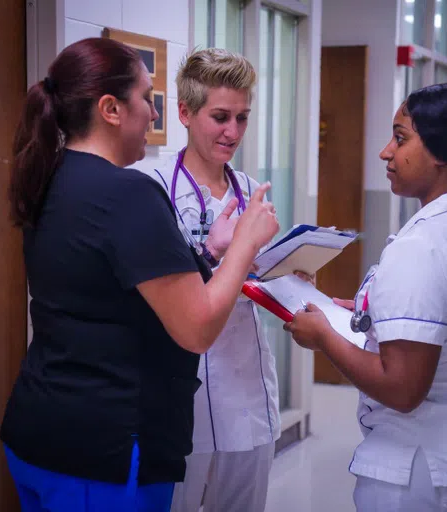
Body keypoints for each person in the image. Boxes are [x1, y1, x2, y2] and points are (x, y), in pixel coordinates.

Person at [0, 38, 279, 512]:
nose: (153, 115)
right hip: (102, 448)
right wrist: (246, 244)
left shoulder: (52, 176)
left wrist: (213, 253)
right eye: (146, 99)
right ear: (110, 109)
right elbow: (195, 329)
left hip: (41, 427)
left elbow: (105, 289)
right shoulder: (130, 192)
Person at [285, 82, 447, 511]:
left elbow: (404, 390)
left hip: (430, 464)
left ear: (442, 151)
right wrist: (377, 315)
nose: (385, 152)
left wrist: (323, 338)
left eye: (400, 137)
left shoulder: (424, 243)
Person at [145, 48, 283, 512]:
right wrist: (216, 254)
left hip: (246, 393)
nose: (233, 132)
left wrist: (289, 276)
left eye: (242, 118)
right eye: (220, 116)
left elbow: (257, 279)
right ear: (184, 112)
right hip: (180, 397)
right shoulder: (152, 187)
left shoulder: (251, 190)